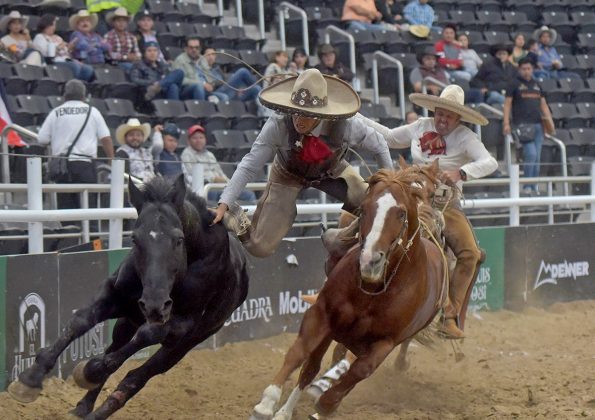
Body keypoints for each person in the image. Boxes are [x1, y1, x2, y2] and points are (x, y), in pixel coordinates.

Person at [334, 85, 497, 339]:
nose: (442, 119)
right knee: (357, 220)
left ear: (458, 118)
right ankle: (336, 284)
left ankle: (449, 315)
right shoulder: (421, 126)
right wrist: (355, 115)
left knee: (470, 254)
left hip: (444, 204)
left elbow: (490, 162)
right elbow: (388, 137)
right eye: (440, 113)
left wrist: (461, 173)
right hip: (410, 196)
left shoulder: (466, 137)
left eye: (448, 116)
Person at [211, 68, 393, 258]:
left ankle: (337, 237)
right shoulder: (278, 124)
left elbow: (380, 145)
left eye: (306, 113)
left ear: (322, 113)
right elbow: (250, 165)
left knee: (377, 206)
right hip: (287, 175)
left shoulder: (347, 125)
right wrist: (225, 202)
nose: (298, 118)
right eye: (294, 111)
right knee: (260, 247)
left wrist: (389, 186)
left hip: (331, 170)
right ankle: (235, 217)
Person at [37, 80, 114, 211]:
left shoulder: (56, 112)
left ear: (65, 95)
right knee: (89, 208)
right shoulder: (92, 111)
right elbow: (105, 138)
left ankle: (70, 229)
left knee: (66, 209)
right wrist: (111, 161)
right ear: (84, 96)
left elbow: (42, 139)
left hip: (62, 166)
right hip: (85, 165)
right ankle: (91, 230)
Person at [503, 57, 555, 193]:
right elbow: (507, 104)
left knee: (537, 157)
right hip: (522, 125)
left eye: (529, 68)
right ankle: (527, 186)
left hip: (538, 125)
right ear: (520, 69)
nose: (527, 71)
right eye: (524, 69)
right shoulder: (513, 84)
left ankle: (534, 186)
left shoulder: (537, 84)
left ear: (532, 69)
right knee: (531, 154)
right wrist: (506, 123)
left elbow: (544, 106)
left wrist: (550, 124)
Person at [181, 124, 257, 203]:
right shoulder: (187, 154)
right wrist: (213, 179)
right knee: (215, 193)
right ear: (188, 141)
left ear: (205, 139)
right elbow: (192, 177)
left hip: (220, 186)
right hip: (206, 188)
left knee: (248, 194)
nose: (198, 140)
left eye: (201, 137)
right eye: (195, 138)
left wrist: (230, 184)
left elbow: (220, 173)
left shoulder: (209, 154)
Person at [33, 13, 95, 81]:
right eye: (53, 25)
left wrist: (70, 47)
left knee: (88, 69)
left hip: (67, 59)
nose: (54, 27)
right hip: (53, 61)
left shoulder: (57, 37)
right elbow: (44, 53)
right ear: (47, 25)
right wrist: (58, 48)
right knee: (74, 67)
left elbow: (66, 51)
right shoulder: (40, 37)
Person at [114, 118, 163, 182]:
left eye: (138, 135)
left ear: (143, 137)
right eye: (131, 135)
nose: (135, 138)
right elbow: (123, 176)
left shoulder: (147, 152)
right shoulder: (122, 153)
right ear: (125, 137)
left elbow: (155, 171)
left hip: (152, 188)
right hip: (134, 188)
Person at [103, 7, 140, 72]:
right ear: (113, 22)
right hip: (115, 64)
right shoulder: (108, 36)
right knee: (131, 68)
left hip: (132, 63)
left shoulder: (132, 37)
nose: (121, 23)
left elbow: (138, 54)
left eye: (124, 21)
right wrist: (125, 57)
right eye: (118, 20)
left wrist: (135, 57)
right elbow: (108, 54)